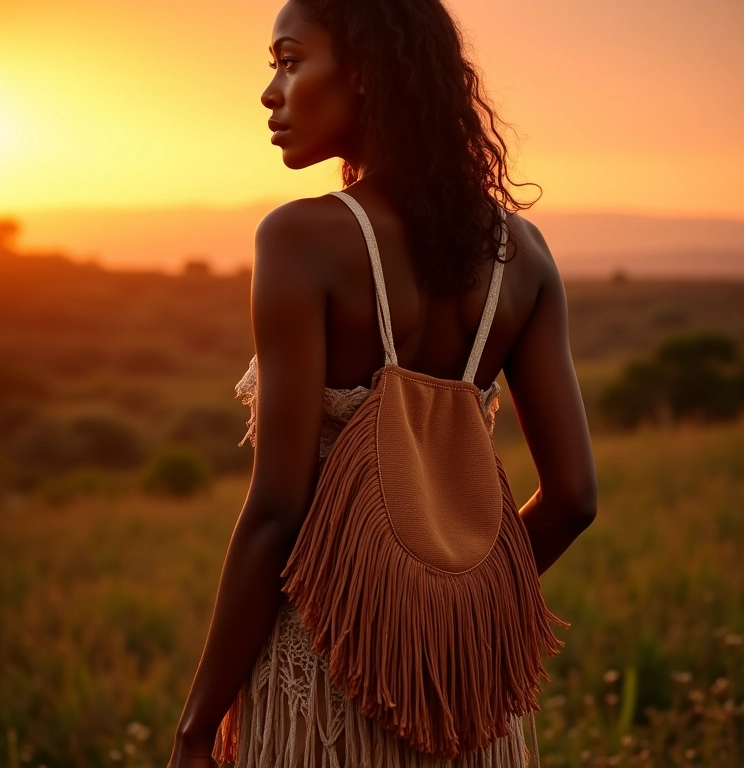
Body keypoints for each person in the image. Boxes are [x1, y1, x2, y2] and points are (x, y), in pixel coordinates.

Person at [168, 0, 597, 765]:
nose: (272, 91)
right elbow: (572, 498)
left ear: (364, 73)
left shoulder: (301, 238)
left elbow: (276, 511)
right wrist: (449, 610)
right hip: (464, 692)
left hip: (330, 681)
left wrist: (197, 727)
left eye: (291, 60)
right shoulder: (524, 254)